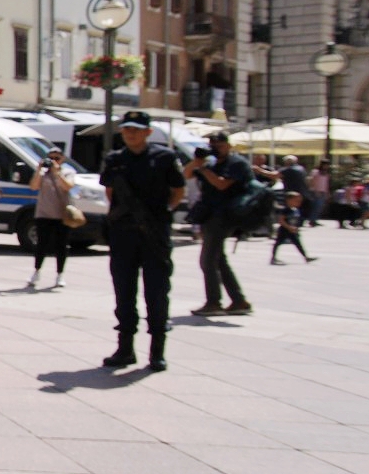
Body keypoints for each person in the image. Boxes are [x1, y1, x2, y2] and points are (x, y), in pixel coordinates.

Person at [99, 111, 185, 371]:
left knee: (157, 292)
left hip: (154, 235)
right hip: (123, 234)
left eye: (136, 129)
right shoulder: (114, 159)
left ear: (148, 132)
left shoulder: (165, 158)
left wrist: (158, 217)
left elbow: (177, 192)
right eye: (126, 129)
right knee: (124, 292)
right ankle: (125, 349)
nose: (130, 133)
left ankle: (157, 351)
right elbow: (110, 192)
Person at [187, 130, 253, 316]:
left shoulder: (237, 163)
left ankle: (213, 302)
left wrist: (204, 169)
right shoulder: (211, 163)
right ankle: (239, 301)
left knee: (207, 260)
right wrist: (197, 162)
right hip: (210, 215)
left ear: (229, 146)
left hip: (225, 216)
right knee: (219, 260)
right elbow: (186, 175)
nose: (216, 149)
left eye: (220, 145)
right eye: (213, 145)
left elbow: (222, 184)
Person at [28, 147, 77, 290]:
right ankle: (36, 271)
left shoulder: (68, 172)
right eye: (51, 158)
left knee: (61, 246)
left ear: (62, 159)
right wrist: (38, 170)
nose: (53, 161)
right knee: (41, 245)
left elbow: (68, 187)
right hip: (43, 214)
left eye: (57, 158)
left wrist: (57, 173)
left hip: (62, 215)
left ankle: (60, 274)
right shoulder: (43, 173)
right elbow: (33, 186)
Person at [271, 192, 315, 264]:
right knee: (278, 243)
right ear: (289, 200)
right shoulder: (286, 210)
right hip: (284, 230)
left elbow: (295, 220)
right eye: (296, 200)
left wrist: (296, 228)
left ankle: (306, 257)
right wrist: (289, 227)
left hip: (292, 230)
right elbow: (281, 220)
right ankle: (273, 258)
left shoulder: (294, 210)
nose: (298, 202)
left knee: (298, 243)